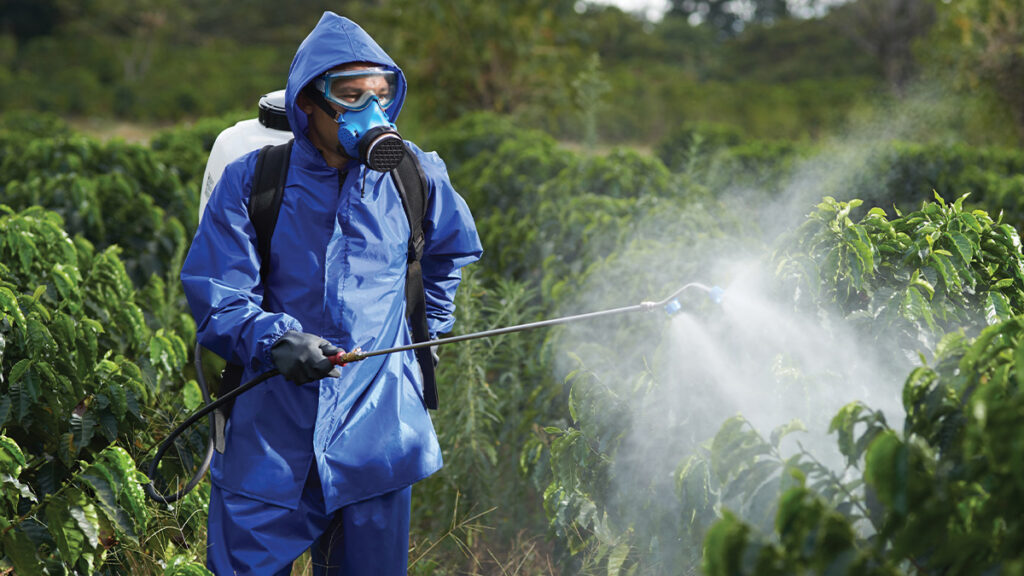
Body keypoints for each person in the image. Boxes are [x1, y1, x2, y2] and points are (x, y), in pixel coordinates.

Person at [180, 11, 482, 575]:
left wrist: (428, 337)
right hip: (270, 437)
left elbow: (446, 257)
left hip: (380, 437)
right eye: (350, 96)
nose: (371, 111)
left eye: (381, 94)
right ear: (308, 105)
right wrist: (277, 340)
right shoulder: (254, 181)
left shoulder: (416, 175)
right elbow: (217, 293)